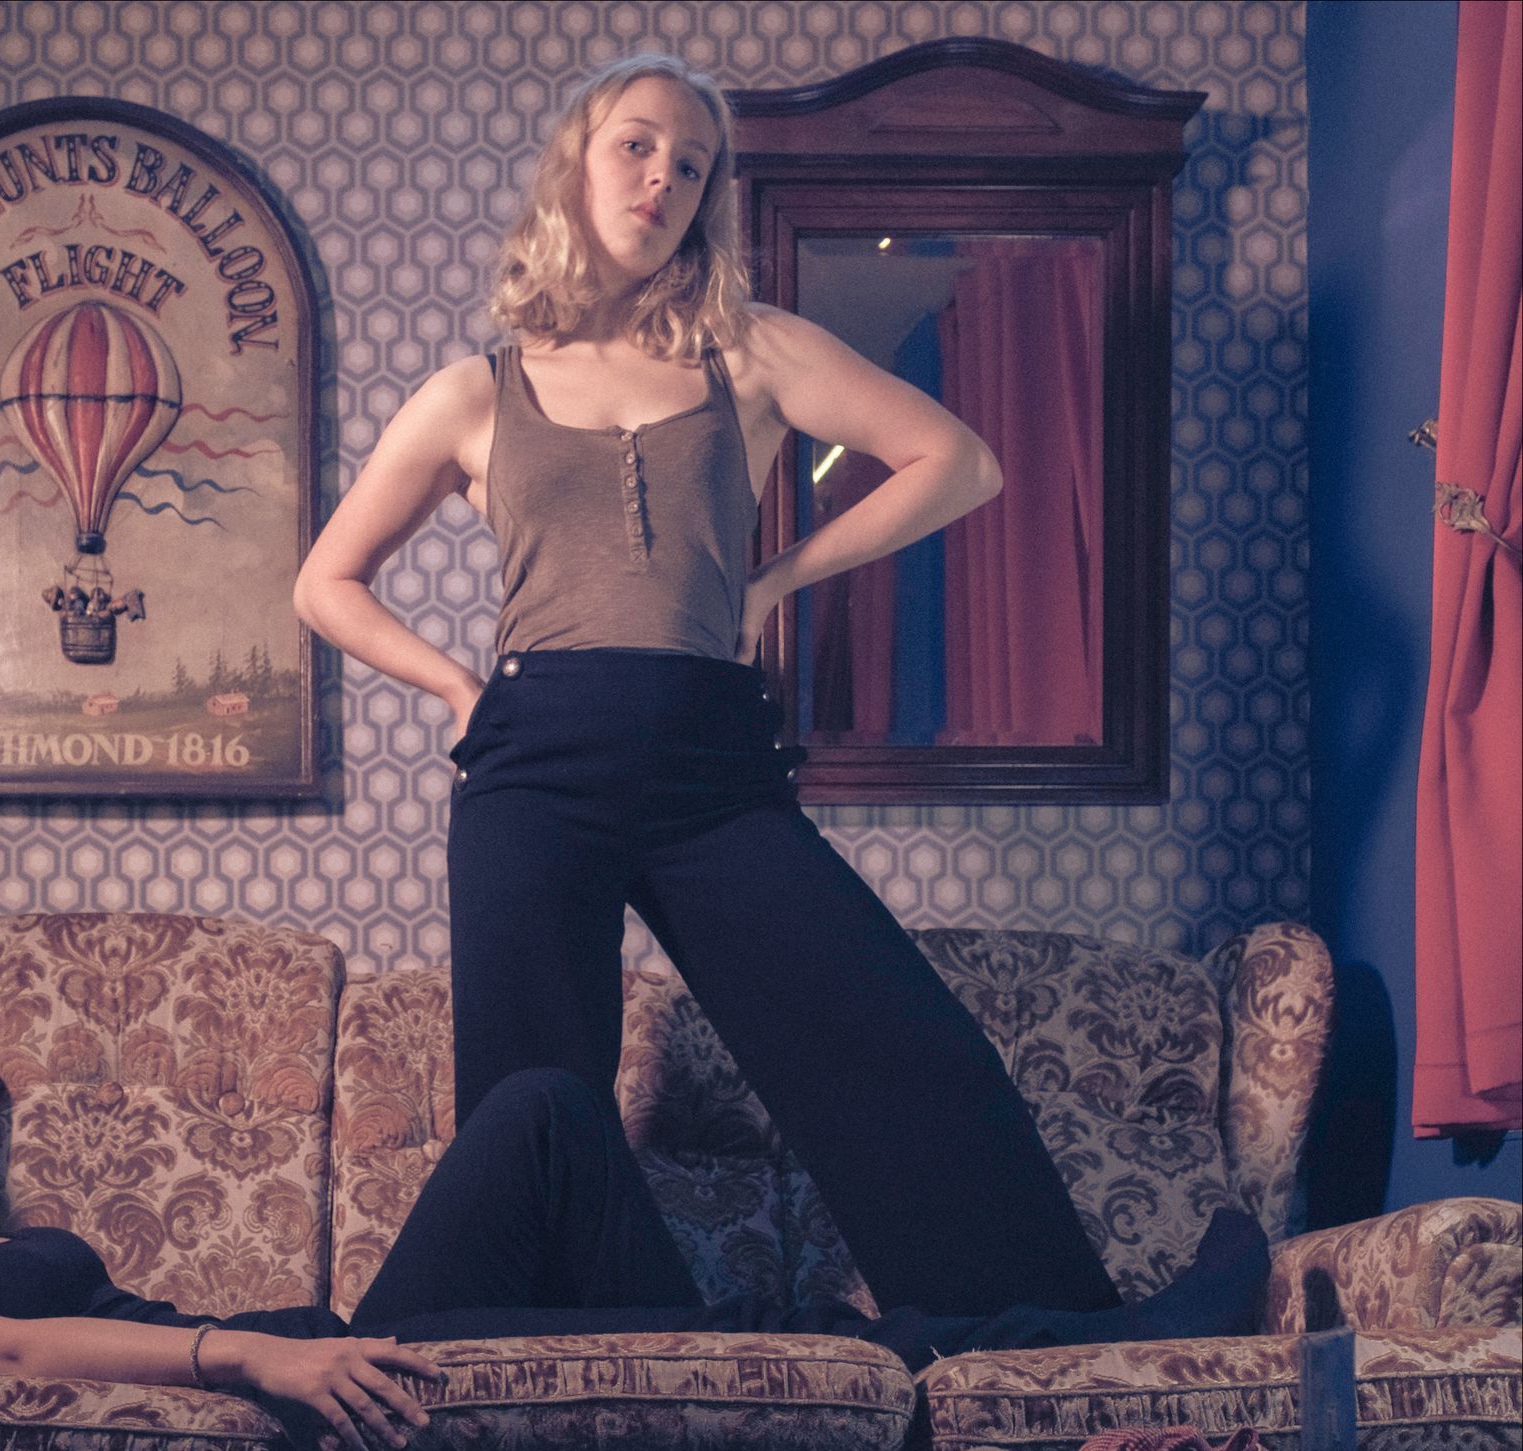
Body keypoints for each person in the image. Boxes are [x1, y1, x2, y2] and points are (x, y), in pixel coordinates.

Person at [293, 49, 1200, 1328]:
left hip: (710, 763)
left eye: (692, 164)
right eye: (637, 146)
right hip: (532, 760)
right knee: (534, 1098)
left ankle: (1053, 1339)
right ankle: (569, 1371)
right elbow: (324, 583)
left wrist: (774, 583)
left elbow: (959, 460)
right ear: (576, 164)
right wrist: (455, 689)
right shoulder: (473, 393)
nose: (662, 178)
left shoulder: (750, 352)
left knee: (895, 1043)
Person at [0, 988, 1270, 1451]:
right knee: (787, 1336)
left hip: (329, 1344)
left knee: (546, 1109)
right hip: (327, 1380)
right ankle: (1123, 1344)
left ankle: (775, 1361)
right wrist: (244, 1361)